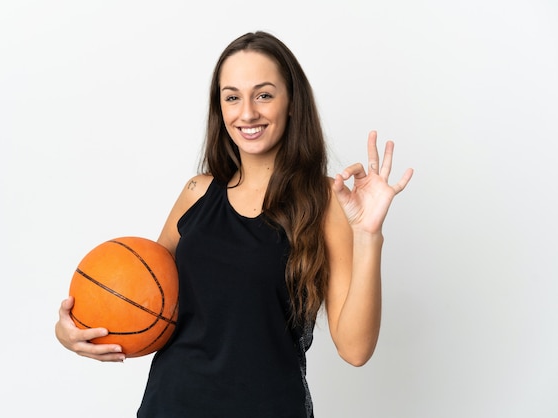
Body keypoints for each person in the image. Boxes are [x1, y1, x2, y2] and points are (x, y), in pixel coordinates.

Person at [55, 31, 413, 418]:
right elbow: (143, 302)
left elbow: (355, 350)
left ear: (292, 102)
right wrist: (71, 332)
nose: (247, 113)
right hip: (170, 406)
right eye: (232, 97)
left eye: (263, 94)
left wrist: (368, 234)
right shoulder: (197, 192)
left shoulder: (324, 202)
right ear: (220, 107)